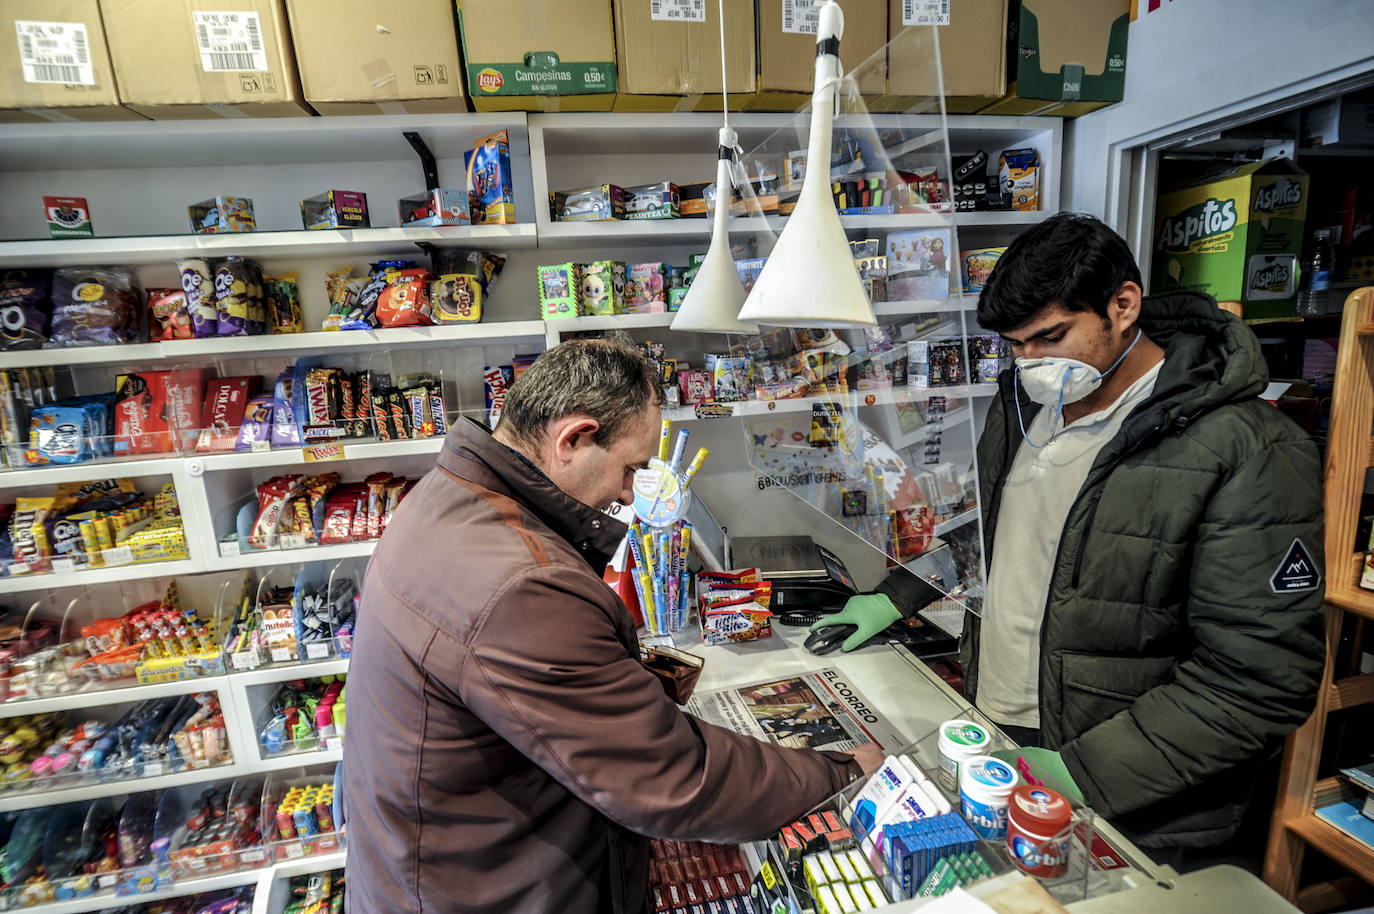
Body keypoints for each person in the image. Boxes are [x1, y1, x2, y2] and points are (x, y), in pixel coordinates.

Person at [813, 213, 1325, 860]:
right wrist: (894, 596)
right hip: (998, 733)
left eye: (1049, 337)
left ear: (1123, 304)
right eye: (1015, 345)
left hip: (1131, 796)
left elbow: (1260, 678)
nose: (1030, 362)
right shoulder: (1023, 402)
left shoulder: (1247, 447)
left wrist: (1080, 774)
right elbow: (1001, 536)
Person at [344, 338, 884, 914]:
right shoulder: (525, 581)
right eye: (630, 468)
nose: (629, 493)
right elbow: (673, 778)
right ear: (572, 439)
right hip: (488, 887)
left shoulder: (448, 495)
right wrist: (841, 773)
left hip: (433, 868)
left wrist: (622, 674)